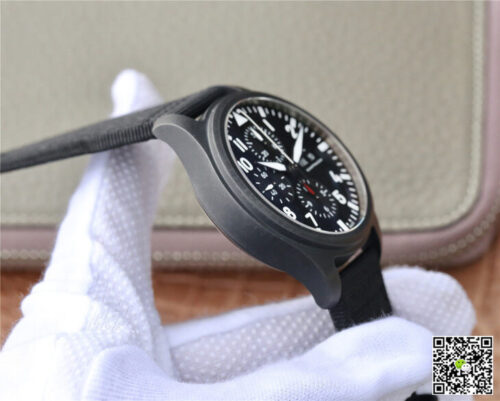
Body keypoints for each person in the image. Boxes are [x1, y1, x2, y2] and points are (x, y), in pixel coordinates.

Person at [0, 70, 475, 401]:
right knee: (438, 326)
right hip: (368, 282)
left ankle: (472, 379)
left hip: (355, 249)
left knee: (458, 347)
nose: (294, 169)